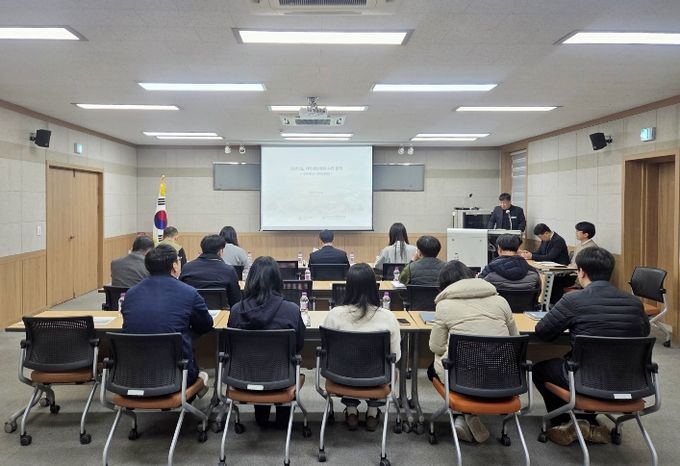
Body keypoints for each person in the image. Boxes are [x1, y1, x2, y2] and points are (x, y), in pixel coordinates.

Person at [533, 247, 649, 447]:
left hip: (585, 378)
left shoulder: (573, 300)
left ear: (581, 272)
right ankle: (589, 420)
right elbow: (643, 334)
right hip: (631, 380)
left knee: (541, 369)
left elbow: (543, 332)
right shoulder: (635, 303)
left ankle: (565, 421)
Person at [428, 260, 518, 443]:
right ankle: (466, 416)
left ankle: (462, 415)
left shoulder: (444, 306)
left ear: (444, 286)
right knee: (469, 368)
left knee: (438, 366)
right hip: (502, 379)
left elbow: (436, 347)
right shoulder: (501, 301)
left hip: (462, 380)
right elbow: (514, 340)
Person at [227, 256, 306, 429]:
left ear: (251, 280)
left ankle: (261, 418)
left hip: (244, 378)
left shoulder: (236, 310)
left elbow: (230, 346)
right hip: (282, 378)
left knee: (257, 360)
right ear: (278, 280)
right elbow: (299, 345)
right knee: (281, 362)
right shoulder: (291, 310)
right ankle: (283, 421)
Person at [323, 263, 401, 432]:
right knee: (392, 370)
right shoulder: (388, 317)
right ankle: (373, 412)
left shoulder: (334, 315)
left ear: (348, 287)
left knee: (349, 362)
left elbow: (326, 353)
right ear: (374, 287)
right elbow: (396, 356)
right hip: (377, 378)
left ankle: (351, 410)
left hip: (341, 377)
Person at [121, 244, 213, 386]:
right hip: (178, 375)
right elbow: (206, 325)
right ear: (175, 266)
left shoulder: (131, 293)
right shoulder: (189, 293)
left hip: (134, 374)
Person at [179, 234, 241, 308]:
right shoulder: (229, 270)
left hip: (192, 312)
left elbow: (180, 293)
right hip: (223, 313)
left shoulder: (187, 267)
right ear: (220, 251)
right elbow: (236, 300)